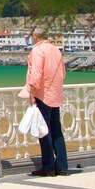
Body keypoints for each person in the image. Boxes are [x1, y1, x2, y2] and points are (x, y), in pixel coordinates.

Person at [25, 30, 68, 176]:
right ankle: (62, 166)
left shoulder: (38, 50)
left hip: (43, 95)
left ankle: (48, 166)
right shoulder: (56, 50)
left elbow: (36, 74)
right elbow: (63, 73)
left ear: (36, 36)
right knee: (56, 131)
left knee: (44, 131)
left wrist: (32, 94)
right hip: (56, 94)